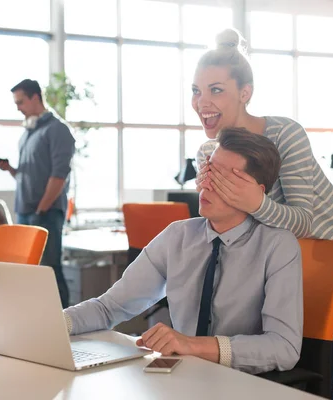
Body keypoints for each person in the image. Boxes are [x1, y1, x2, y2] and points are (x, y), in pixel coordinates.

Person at [192, 28, 333, 393]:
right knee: (269, 378)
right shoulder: (207, 152)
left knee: (312, 381)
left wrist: (254, 203)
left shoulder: (284, 134)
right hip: (283, 269)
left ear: (245, 94)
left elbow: (304, 222)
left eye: (216, 90)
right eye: (196, 91)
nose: (202, 103)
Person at [64, 127, 303, 374]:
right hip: (180, 378)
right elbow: (109, 307)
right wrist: (52, 323)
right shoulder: (177, 236)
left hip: (241, 383)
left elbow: (284, 347)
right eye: (208, 171)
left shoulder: (278, 246)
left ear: (256, 191)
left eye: (223, 178)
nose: (206, 184)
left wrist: (193, 345)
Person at [0, 79, 75, 308]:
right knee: (28, 274)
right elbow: (28, 175)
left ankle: (66, 322)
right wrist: (9, 169)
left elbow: (59, 175)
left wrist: (41, 209)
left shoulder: (58, 130)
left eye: (20, 102)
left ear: (35, 97)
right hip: (26, 212)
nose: (18, 107)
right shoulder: (29, 132)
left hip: (45, 212)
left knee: (49, 270)